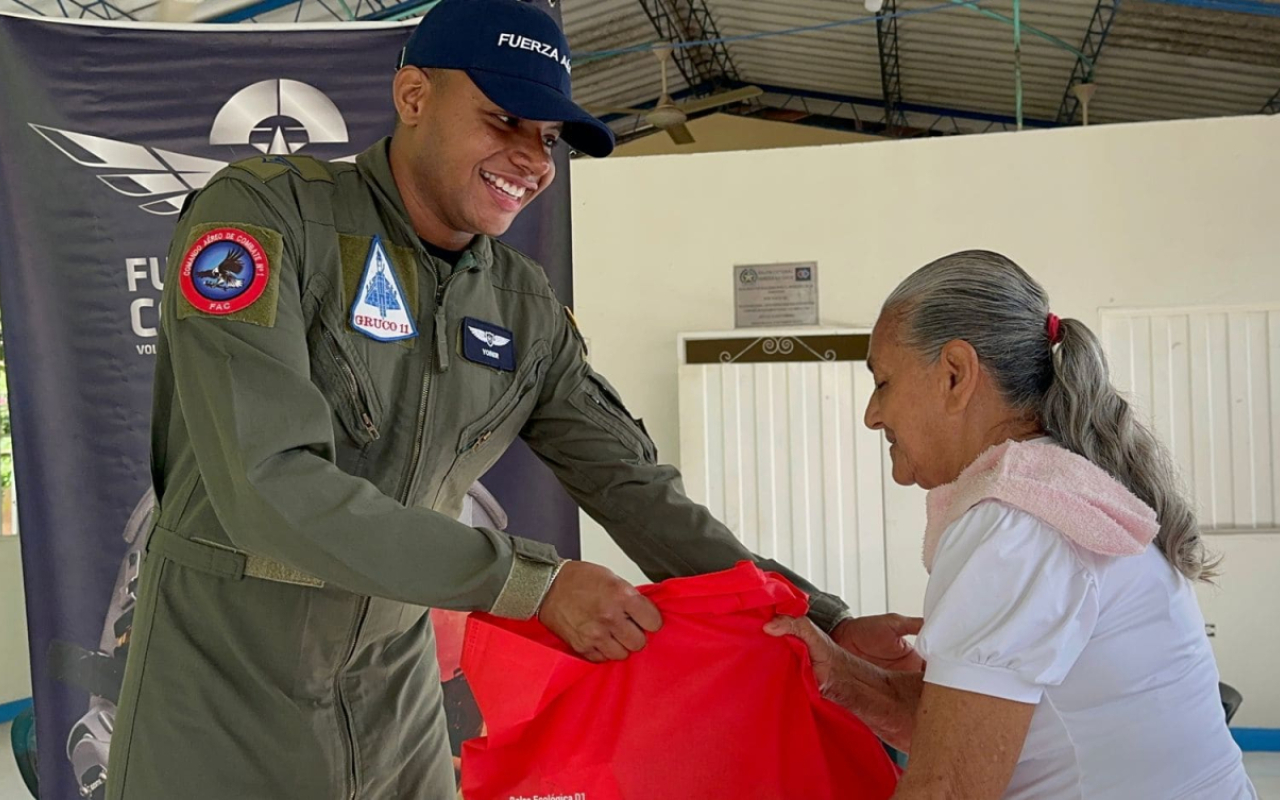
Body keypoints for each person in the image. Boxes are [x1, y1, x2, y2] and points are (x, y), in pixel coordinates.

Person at [105, 2, 911, 798]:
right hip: (221, 702)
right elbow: (266, 485)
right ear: (415, 97)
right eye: (503, 121)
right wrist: (532, 583)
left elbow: (636, 494)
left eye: (549, 138)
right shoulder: (269, 215)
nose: (532, 159)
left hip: (395, 709)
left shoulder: (521, 305)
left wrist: (823, 623)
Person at [769, 250, 1256, 799]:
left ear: (955, 374)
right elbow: (966, 728)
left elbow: (947, 788)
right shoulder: (1055, 492)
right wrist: (838, 670)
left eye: (882, 382)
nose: (871, 415)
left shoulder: (1016, 524)